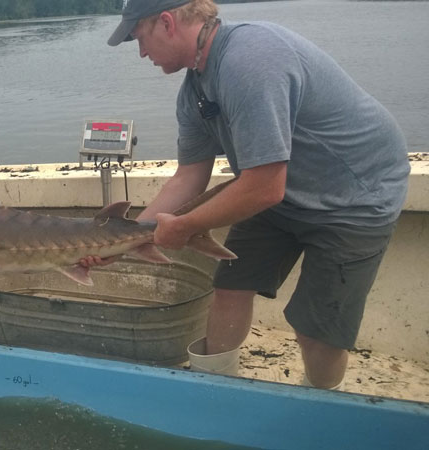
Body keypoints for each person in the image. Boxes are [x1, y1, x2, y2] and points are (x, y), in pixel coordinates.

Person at [91, 0, 410, 389]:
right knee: (229, 289)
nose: (141, 52)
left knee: (317, 331)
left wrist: (185, 226)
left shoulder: (250, 60)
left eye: (139, 37)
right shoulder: (193, 93)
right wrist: (123, 240)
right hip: (280, 193)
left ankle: (319, 405)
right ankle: (215, 390)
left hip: (356, 198)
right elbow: (188, 177)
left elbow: (264, 187)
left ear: (168, 23)